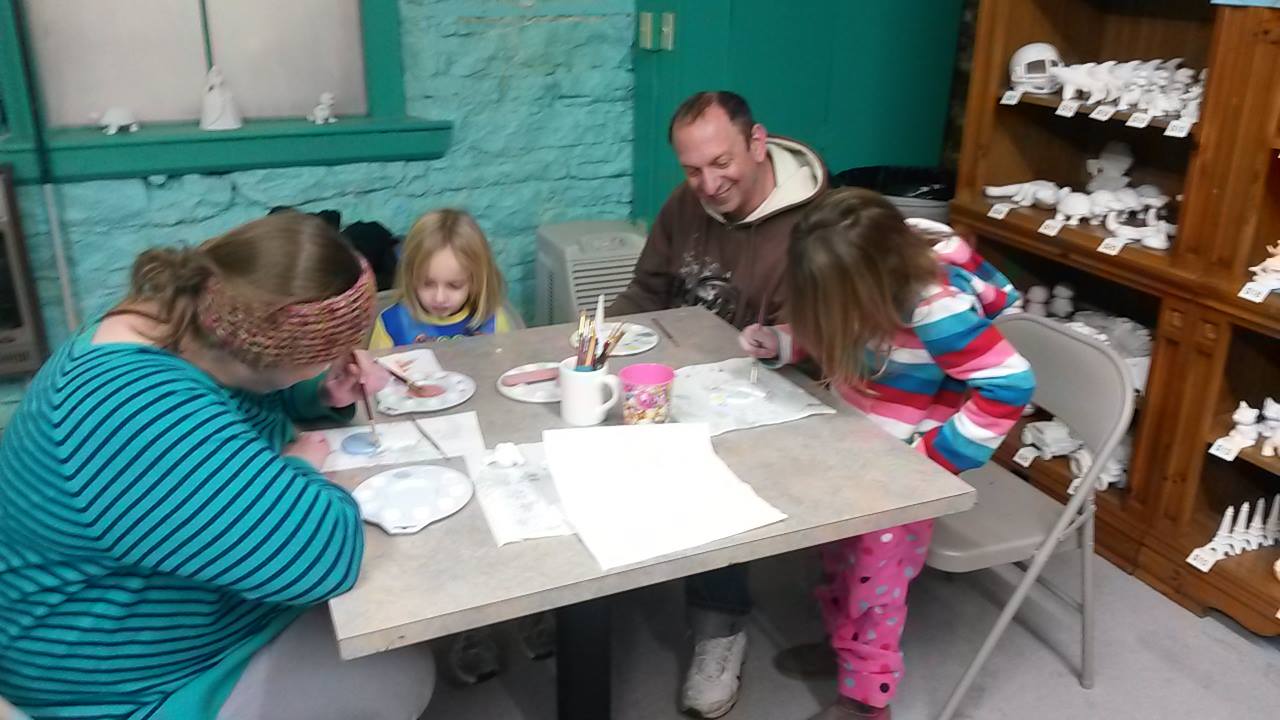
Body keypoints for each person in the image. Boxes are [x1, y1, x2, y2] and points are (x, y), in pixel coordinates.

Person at [0, 212, 435, 720]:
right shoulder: (139, 411)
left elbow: (236, 393)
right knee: (399, 672)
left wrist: (314, 391)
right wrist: (295, 469)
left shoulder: (169, 323)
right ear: (270, 354)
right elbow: (323, 555)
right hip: (118, 688)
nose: (336, 362)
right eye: (326, 357)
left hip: (134, 617)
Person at [740, 188, 1035, 719]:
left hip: (904, 474)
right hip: (862, 447)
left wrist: (933, 460)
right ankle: (846, 648)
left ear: (872, 287)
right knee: (838, 558)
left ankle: (867, 698)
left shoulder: (937, 308)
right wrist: (784, 343)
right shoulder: (870, 276)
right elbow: (838, 327)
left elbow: (1010, 384)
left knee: (873, 585)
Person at [610, 90, 828, 718]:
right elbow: (647, 290)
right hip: (696, 378)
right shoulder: (686, 203)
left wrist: (771, 347)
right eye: (692, 170)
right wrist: (593, 345)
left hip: (782, 392)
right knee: (596, 414)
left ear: (757, 143)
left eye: (721, 163)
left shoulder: (817, 222)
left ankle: (718, 627)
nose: (707, 185)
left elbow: (819, 340)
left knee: (709, 468)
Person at [369, 208, 516, 349]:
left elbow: (508, 362)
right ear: (410, 276)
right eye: (427, 284)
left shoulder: (492, 321)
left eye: (454, 285)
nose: (439, 298)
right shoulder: (392, 324)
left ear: (476, 281)